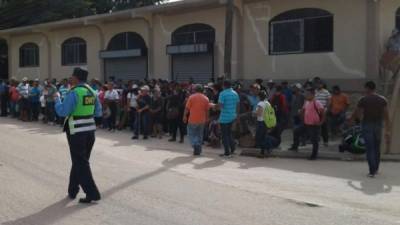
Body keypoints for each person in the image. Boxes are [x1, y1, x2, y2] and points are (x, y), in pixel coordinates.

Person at [54, 68, 102, 203]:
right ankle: (72, 190)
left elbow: (63, 112)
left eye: (72, 76)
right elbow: (98, 112)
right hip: (90, 132)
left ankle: (92, 193)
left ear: (76, 78)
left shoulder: (74, 92)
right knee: (80, 162)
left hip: (76, 132)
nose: (70, 78)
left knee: (81, 163)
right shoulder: (92, 91)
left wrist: (57, 100)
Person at [348, 81, 391, 178]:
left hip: (367, 124)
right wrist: (388, 129)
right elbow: (387, 116)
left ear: (367, 88)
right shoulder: (382, 99)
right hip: (378, 125)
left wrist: (352, 120)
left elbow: (357, 112)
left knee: (370, 148)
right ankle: (376, 169)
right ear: (375, 88)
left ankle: (372, 172)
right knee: (376, 148)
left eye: (365, 88)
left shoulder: (363, 99)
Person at [289, 88, 326, 160]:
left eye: (308, 94)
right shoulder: (306, 102)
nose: (306, 95)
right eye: (306, 94)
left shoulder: (317, 102)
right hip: (306, 123)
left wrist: (321, 122)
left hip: (314, 124)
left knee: (314, 140)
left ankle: (314, 155)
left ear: (313, 95)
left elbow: (323, 112)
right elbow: (303, 110)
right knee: (296, 131)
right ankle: (295, 146)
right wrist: (301, 117)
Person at [183, 84, 210, 156]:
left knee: (191, 133)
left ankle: (195, 144)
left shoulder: (191, 97)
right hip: (202, 120)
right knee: (199, 135)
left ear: (195, 90)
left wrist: (184, 116)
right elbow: (207, 110)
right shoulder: (206, 98)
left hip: (192, 119)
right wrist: (207, 118)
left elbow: (187, 108)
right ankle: (198, 150)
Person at [215, 80, 240, 158]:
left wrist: (214, 106)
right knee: (229, 134)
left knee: (224, 135)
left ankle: (227, 152)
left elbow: (220, 106)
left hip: (224, 117)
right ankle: (232, 149)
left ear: (224, 85)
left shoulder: (222, 93)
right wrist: (236, 115)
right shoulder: (235, 93)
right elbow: (238, 105)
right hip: (232, 116)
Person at [315, 81, 331, 146]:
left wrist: (326, 108)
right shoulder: (315, 91)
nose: (318, 85)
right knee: (315, 126)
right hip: (316, 111)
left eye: (320, 84)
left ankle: (325, 141)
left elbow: (329, 101)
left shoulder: (326, 92)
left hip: (323, 111)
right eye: (317, 84)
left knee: (324, 126)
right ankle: (316, 140)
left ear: (322, 85)